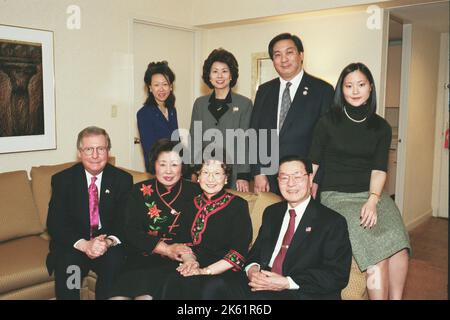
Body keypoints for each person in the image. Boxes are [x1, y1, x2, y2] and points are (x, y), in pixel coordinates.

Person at [309, 62, 411, 300]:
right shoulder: (327, 122)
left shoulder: (381, 126)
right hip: (337, 196)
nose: (355, 91)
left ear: (370, 88)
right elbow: (312, 164)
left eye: (361, 84)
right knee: (377, 252)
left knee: (400, 247)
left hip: (371, 193)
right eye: (349, 85)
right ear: (341, 90)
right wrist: (302, 195)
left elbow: (378, 170)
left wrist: (373, 201)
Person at [240, 156, 352, 300]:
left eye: (297, 177)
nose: (291, 184)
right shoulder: (272, 212)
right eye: (284, 178)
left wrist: (287, 282)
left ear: (310, 179)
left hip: (302, 291)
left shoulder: (332, 222)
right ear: (278, 181)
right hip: (262, 283)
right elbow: (256, 252)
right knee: (215, 285)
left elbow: (337, 274)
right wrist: (252, 270)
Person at [46, 126, 133, 300]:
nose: (95, 155)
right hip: (75, 245)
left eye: (101, 149)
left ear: (108, 151)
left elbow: (125, 220)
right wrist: (85, 245)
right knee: (70, 268)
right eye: (89, 149)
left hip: (105, 244)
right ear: (80, 153)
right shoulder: (63, 180)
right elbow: (55, 223)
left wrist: (107, 242)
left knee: (115, 263)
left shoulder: (122, 179)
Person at [110, 139, 201, 300]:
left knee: (145, 297)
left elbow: (199, 233)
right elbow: (131, 231)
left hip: (176, 262)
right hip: (142, 256)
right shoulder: (139, 191)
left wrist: (182, 255)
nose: (168, 171)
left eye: (174, 164)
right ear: (154, 165)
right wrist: (165, 248)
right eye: (162, 164)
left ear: (183, 167)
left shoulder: (195, 192)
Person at [159, 152, 253, 299]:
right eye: (205, 172)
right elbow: (183, 241)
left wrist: (205, 271)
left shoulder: (238, 205)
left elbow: (238, 252)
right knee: (171, 280)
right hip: (193, 264)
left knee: (205, 287)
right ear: (198, 177)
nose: (210, 178)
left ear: (226, 178)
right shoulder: (190, 204)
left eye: (217, 173)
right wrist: (190, 261)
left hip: (224, 271)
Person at [250, 33, 334, 195]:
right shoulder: (264, 91)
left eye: (289, 52)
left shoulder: (322, 90)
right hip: (268, 179)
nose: (284, 59)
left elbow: (327, 142)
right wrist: (258, 173)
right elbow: (254, 133)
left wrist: (316, 179)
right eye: (277, 55)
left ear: (301, 55)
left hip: (303, 179)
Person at [189, 48, 253, 191]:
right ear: (209, 76)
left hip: (234, 173)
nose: (220, 76)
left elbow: (246, 142)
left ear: (231, 75)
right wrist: (194, 170)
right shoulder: (200, 103)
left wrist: (243, 175)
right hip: (206, 172)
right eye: (215, 71)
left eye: (224, 71)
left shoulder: (244, 104)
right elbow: (195, 139)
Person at [137, 61, 179, 172]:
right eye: (156, 85)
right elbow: (150, 149)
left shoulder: (172, 110)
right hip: (157, 170)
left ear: (170, 87)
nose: (161, 89)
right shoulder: (144, 113)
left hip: (174, 169)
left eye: (165, 84)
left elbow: (176, 141)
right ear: (150, 88)